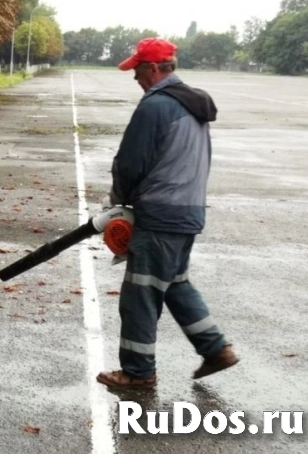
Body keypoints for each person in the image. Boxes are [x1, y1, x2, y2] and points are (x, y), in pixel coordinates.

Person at [96, 37, 239, 389]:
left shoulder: (155, 106)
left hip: (160, 215)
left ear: (154, 68)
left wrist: (118, 201)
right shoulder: (193, 104)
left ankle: (138, 372)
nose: (135, 79)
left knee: (139, 295)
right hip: (187, 211)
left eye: (138, 71)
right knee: (175, 284)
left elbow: (130, 164)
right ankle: (216, 349)